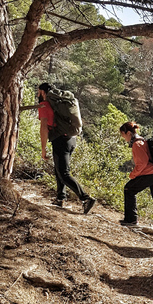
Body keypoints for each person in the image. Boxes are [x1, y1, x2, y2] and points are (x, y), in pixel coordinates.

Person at [37, 83, 96, 214]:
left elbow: (43, 128)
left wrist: (43, 148)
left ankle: (86, 198)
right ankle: (60, 198)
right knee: (59, 170)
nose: (37, 94)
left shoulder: (45, 105)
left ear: (42, 92)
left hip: (60, 140)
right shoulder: (60, 102)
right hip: (71, 139)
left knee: (64, 173)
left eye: (38, 91)